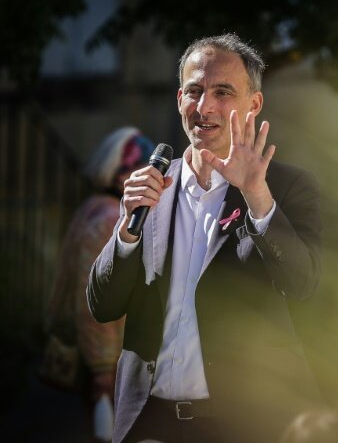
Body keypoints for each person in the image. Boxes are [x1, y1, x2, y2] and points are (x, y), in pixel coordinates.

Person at [86, 33, 323, 442]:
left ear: (254, 104)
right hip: (149, 422)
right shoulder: (151, 189)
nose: (205, 106)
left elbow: (303, 285)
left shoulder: (287, 188)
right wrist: (125, 231)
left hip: (243, 424)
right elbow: (102, 306)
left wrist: (257, 196)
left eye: (223, 91)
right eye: (194, 91)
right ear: (179, 99)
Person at [44, 127, 155, 442]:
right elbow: (92, 297)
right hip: (107, 361)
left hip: (91, 353)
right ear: (122, 176)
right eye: (141, 171)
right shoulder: (109, 218)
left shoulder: (90, 209)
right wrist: (103, 369)